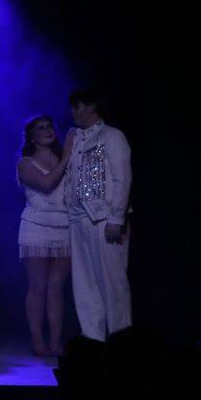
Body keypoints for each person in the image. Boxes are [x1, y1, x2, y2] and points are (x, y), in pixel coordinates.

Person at [66, 88, 132, 341]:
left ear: (92, 106)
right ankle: (92, 341)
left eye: (77, 106)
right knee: (85, 285)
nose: (72, 112)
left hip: (104, 218)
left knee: (112, 284)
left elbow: (122, 177)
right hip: (78, 217)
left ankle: (121, 342)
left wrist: (116, 217)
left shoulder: (112, 136)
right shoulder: (76, 139)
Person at [16, 115, 74, 356]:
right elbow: (47, 184)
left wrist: (67, 157)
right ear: (32, 137)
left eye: (50, 126)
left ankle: (55, 341)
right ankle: (37, 339)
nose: (47, 130)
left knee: (56, 287)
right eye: (40, 128)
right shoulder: (25, 163)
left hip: (64, 224)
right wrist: (67, 156)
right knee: (38, 286)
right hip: (35, 225)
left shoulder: (64, 158)